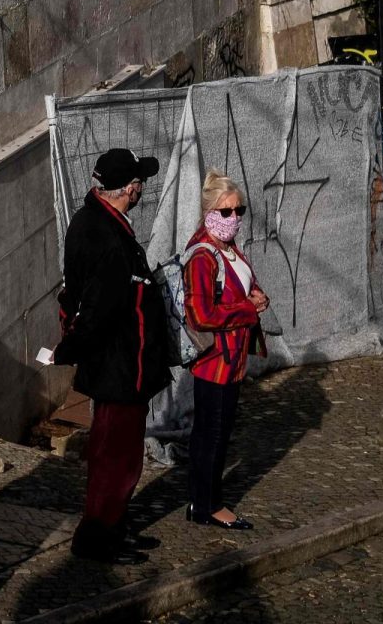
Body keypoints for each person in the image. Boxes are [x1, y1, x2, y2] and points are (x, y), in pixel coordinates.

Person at [53, 148, 178, 564]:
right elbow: (97, 310)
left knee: (118, 455)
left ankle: (115, 527)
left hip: (123, 365)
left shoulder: (94, 220)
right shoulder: (105, 239)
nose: (141, 188)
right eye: (139, 182)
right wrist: (70, 349)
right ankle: (98, 538)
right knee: (115, 460)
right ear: (130, 189)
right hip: (122, 368)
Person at [182, 170, 268, 531]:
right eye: (227, 211)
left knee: (217, 432)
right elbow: (200, 315)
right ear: (209, 212)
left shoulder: (229, 249)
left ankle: (203, 500)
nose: (234, 218)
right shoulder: (203, 256)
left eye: (239, 210)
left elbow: (242, 287)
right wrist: (248, 309)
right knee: (212, 434)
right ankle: (207, 505)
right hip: (215, 363)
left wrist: (258, 297)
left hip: (232, 361)